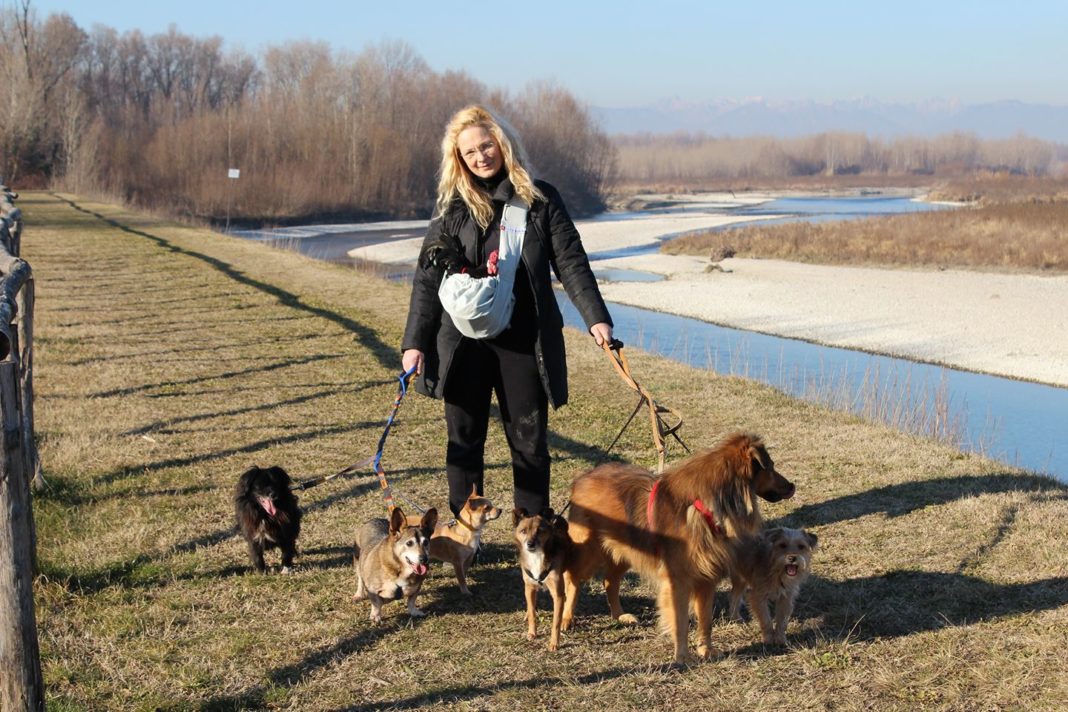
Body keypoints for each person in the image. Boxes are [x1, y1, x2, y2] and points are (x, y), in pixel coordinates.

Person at [401, 105, 613, 518]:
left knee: (529, 441)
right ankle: (467, 537)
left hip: (522, 341)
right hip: (460, 342)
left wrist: (596, 317)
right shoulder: (451, 207)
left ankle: (534, 534)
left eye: (487, 145)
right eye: (470, 153)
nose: (481, 157)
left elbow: (570, 261)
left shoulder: (539, 199)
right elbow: (427, 278)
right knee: (464, 439)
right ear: (458, 160)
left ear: (503, 144)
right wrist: (414, 343)